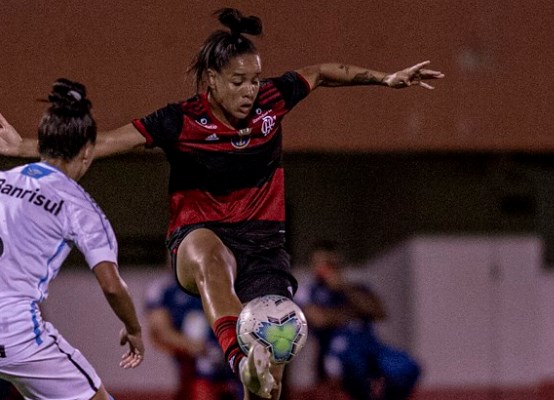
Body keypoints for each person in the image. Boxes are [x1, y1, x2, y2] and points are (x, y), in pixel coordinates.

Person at [0, 7, 443, 400]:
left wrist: (385, 78)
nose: (251, 90)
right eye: (239, 82)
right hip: (197, 235)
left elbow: (324, 72)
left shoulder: (274, 99)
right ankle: (237, 357)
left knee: (271, 364)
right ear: (212, 81)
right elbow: (105, 142)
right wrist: (25, 146)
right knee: (212, 261)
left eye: (254, 79)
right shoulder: (179, 120)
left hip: (264, 245)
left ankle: (253, 371)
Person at [0, 79, 145, 400]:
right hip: (17, 336)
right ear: (88, 151)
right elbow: (111, 284)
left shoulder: (3, 180)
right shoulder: (80, 207)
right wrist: (133, 327)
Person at [298, 240, 422, 400]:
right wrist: (355, 312)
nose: (324, 268)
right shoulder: (308, 292)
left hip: (371, 347)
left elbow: (378, 312)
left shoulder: (356, 288)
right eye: (318, 263)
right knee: (353, 366)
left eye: (329, 263)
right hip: (338, 353)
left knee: (407, 367)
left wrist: (343, 288)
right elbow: (319, 320)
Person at [145, 271, 241, 400]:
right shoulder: (163, 289)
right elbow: (160, 333)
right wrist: (193, 346)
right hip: (195, 371)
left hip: (234, 365)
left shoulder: (226, 281)